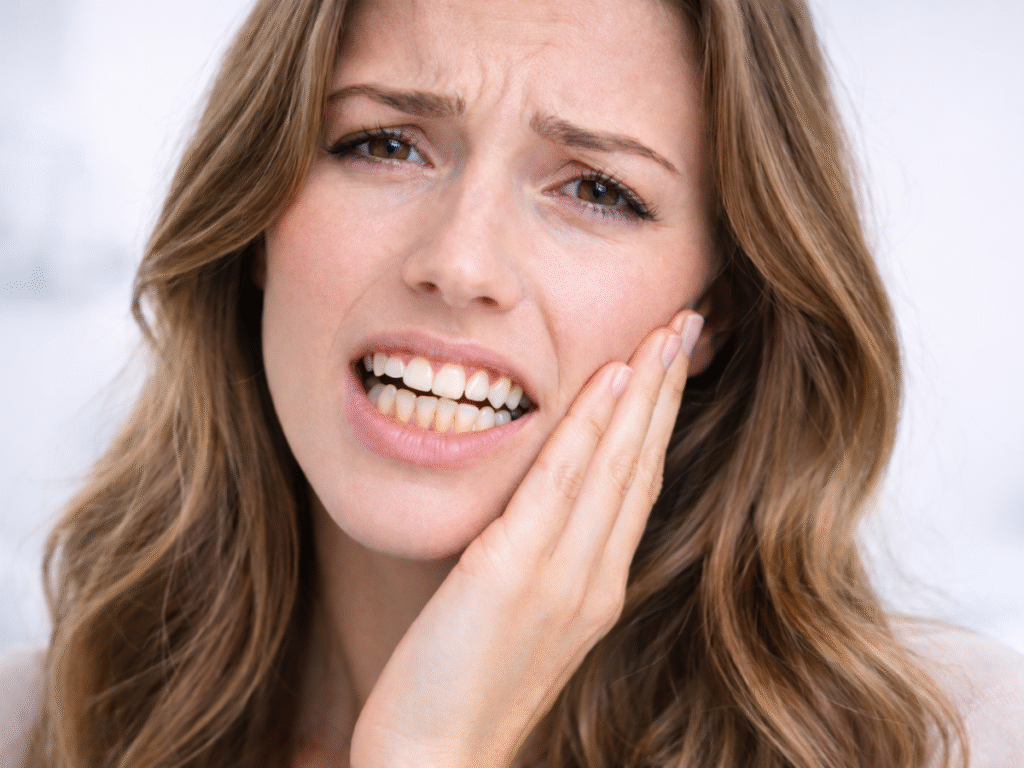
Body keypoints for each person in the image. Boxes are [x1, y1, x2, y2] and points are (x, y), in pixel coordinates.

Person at [2, 0, 1022, 765]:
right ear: (254, 220)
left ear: (721, 312)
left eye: (595, 189)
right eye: (383, 144)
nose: (461, 262)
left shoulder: (954, 739)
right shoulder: (44, 731)